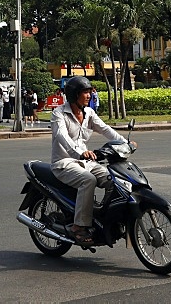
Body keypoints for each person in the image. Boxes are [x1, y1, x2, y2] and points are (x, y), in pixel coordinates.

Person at [50, 77, 134, 247]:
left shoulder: (89, 113)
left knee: (115, 180)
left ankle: (105, 217)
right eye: (85, 92)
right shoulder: (58, 113)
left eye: (89, 91)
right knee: (89, 180)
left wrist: (125, 144)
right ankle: (79, 226)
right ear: (74, 94)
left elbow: (106, 130)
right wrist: (81, 152)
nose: (89, 95)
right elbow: (62, 137)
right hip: (64, 163)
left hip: (86, 163)